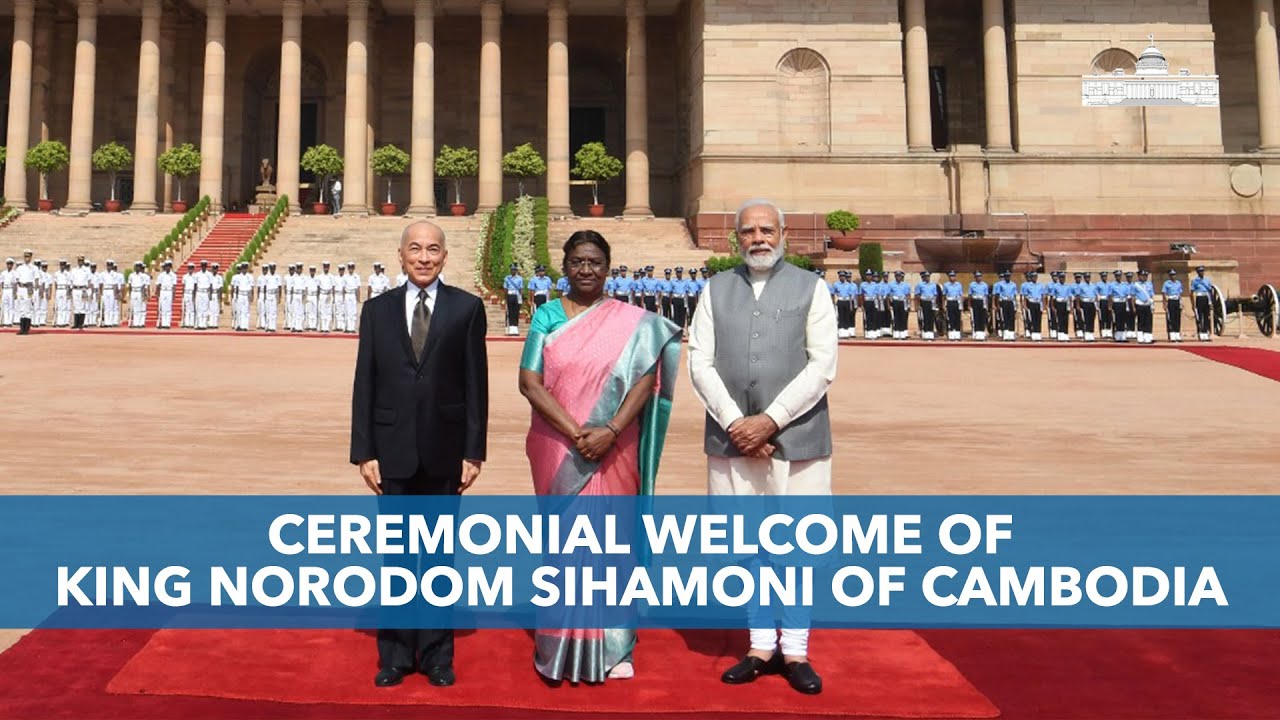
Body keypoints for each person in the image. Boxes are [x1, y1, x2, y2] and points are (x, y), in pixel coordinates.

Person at [518, 230, 681, 684]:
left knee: (613, 542)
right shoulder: (546, 316)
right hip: (557, 445)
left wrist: (609, 430)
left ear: (607, 268)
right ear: (564, 267)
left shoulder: (634, 324)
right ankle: (557, 641)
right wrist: (577, 433)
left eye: (593, 261)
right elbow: (530, 382)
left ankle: (614, 643)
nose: (585, 269)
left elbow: (647, 382)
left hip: (615, 445)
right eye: (576, 261)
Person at [689, 199, 835, 696]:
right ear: (736, 238)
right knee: (747, 547)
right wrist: (737, 425)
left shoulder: (813, 289)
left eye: (766, 229)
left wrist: (770, 421)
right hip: (733, 441)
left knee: (796, 548)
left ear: (783, 233)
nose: (758, 238)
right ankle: (759, 645)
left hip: (797, 441)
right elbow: (699, 363)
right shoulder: (713, 290)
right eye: (748, 231)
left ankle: (794, 648)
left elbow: (822, 366)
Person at [350, 220, 488, 689]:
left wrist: (474, 450)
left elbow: (476, 385)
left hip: (446, 451)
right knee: (396, 555)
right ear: (401, 254)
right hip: (391, 451)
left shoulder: (466, 309)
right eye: (415, 249)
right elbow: (364, 384)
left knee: (439, 558)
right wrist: (363, 451)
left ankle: (435, 655)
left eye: (433, 249)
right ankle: (394, 655)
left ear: (445, 256)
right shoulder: (377, 310)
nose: (424, 257)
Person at [992, 271, 1018, 341]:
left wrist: (1016, 304)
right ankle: (1006, 334)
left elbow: (1015, 295)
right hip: (1004, 301)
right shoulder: (1000, 284)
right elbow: (997, 295)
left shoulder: (1013, 284)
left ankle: (1011, 333)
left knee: (1011, 318)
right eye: (1006, 276)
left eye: (1008, 276)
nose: (1007, 277)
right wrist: (997, 304)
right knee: (1005, 318)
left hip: (1011, 301)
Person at [1191, 265, 1213, 341]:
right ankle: (1201, 333)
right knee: (1200, 317)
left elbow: (1210, 291)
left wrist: (1211, 302)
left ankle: (1206, 333)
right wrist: (1193, 304)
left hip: (1206, 298)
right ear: (1197, 272)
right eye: (1200, 271)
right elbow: (1192, 292)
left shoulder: (1207, 280)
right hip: (1199, 298)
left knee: (1206, 316)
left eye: (1202, 271)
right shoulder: (1195, 281)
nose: (1201, 272)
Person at [1133, 269, 1155, 344]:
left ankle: (1148, 337)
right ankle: (1140, 337)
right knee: (1141, 321)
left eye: (1145, 276)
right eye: (1142, 276)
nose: (1144, 277)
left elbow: (1151, 295)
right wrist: (1133, 307)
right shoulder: (1136, 285)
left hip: (1147, 304)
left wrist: (1152, 305)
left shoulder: (1149, 284)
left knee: (1148, 321)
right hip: (1140, 304)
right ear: (1139, 276)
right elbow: (1133, 296)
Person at [914, 271, 937, 341]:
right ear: (922, 277)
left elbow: (935, 295)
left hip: (931, 302)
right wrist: (917, 305)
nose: (927, 278)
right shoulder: (920, 285)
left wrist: (935, 304)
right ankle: (926, 333)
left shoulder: (933, 285)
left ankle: (931, 333)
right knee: (925, 318)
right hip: (924, 302)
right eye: (926, 276)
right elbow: (917, 295)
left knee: (931, 318)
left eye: (928, 276)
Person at [503, 263, 524, 336]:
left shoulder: (520, 278)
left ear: (516, 270)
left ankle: (515, 327)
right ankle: (510, 328)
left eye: (514, 270)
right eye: (512, 270)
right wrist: (505, 297)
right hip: (510, 295)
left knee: (516, 311)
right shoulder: (507, 278)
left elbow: (521, 288)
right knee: (510, 311)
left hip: (516, 295)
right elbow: (505, 288)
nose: (513, 271)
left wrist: (520, 297)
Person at [1162, 269, 1184, 342]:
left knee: (1177, 317)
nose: (1173, 276)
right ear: (1169, 276)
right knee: (1170, 318)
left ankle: (1177, 333)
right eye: (1171, 275)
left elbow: (1180, 293)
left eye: (1174, 275)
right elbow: (1164, 294)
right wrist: (1164, 304)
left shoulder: (1178, 283)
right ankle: (1172, 334)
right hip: (1170, 300)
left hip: (1177, 300)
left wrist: (1181, 302)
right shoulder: (1166, 283)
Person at [128, 261, 151, 328]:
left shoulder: (143, 276)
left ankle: (140, 323)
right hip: (133, 291)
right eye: (136, 266)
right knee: (134, 308)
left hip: (139, 292)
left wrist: (145, 295)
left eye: (138, 267)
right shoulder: (131, 275)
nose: (137, 268)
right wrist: (130, 293)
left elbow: (144, 286)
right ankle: (136, 323)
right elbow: (129, 285)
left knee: (140, 308)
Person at [942, 270, 964, 341]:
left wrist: (961, 305)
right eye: (950, 276)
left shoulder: (959, 285)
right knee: (950, 318)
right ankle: (951, 333)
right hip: (950, 302)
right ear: (948, 277)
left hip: (957, 302)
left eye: (953, 276)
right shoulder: (946, 285)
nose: (952, 277)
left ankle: (957, 334)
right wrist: (943, 305)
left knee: (957, 318)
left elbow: (961, 295)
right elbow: (944, 295)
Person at [156, 260, 177, 329]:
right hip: (163, 291)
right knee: (162, 307)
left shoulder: (173, 275)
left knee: (168, 308)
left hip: (169, 291)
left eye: (169, 266)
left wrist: (174, 295)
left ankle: (167, 323)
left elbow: (174, 286)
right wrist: (157, 294)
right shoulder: (161, 275)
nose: (167, 268)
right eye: (166, 266)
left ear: (170, 267)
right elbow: (158, 285)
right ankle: (162, 322)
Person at [968, 271, 990, 341]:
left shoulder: (984, 285)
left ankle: (982, 333)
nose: (978, 278)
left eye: (980, 276)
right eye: (977, 276)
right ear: (975, 277)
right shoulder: (972, 285)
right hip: (975, 301)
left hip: (982, 301)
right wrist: (969, 305)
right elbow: (970, 296)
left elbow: (986, 296)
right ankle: (977, 333)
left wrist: (986, 305)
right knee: (976, 317)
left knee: (982, 317)